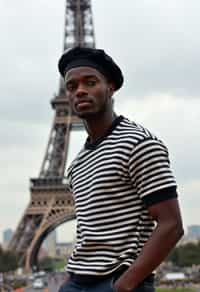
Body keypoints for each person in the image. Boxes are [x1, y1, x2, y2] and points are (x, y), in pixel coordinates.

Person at [57, 47, 184, 292]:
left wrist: (124, 285)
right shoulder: (78, 164)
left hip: (118, 283)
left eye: (90, 82)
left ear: (110, 87)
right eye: (72, 86)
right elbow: (88, 229)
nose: (80, 90)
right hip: (76, 283)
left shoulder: (139, 143)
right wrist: (69, 279)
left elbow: (171, 224)